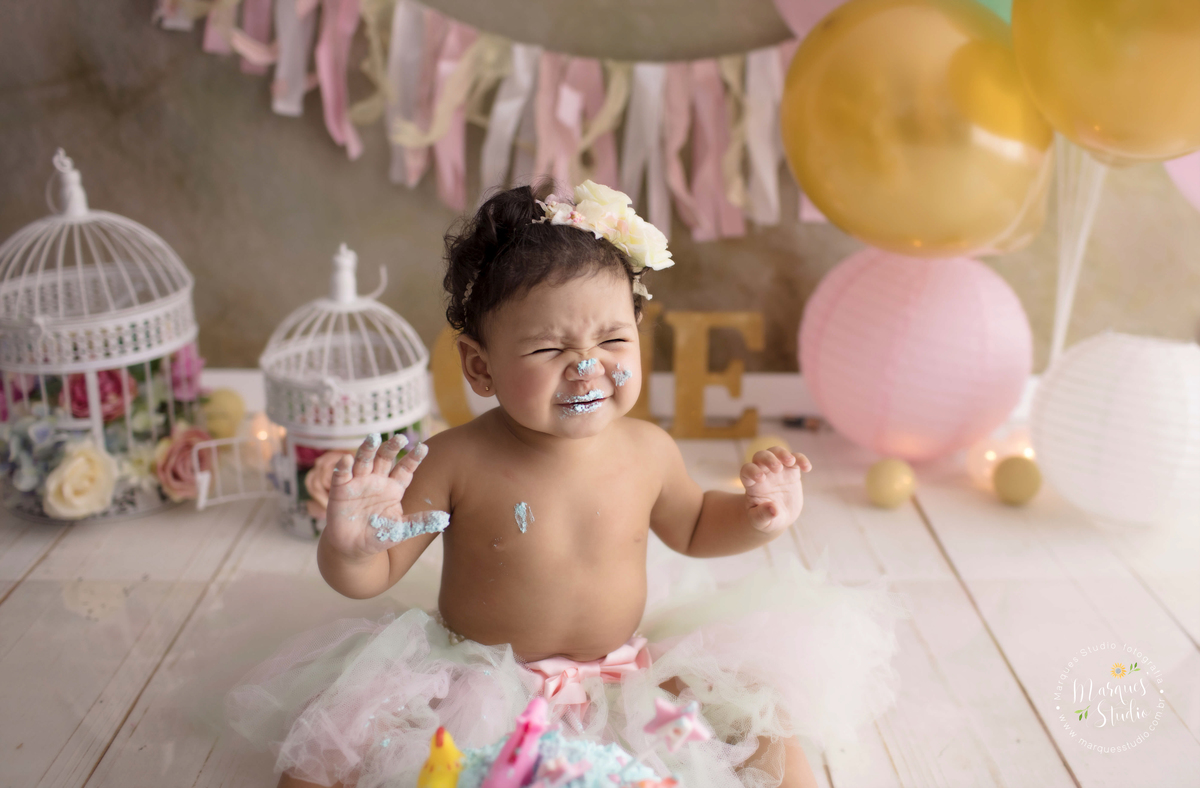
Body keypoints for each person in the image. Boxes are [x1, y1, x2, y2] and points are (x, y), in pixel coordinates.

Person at [226, 179, 906, 788]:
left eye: (613, 342)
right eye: (549, 350)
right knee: (333, 747)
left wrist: (758, 518)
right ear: (480, 367)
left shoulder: (646, 450)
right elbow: (376, 571)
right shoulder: (454, 461)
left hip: (624, 675)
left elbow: (696, 525)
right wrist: (350, 546)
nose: (586, 368)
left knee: (762, 720)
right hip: (476, 682)